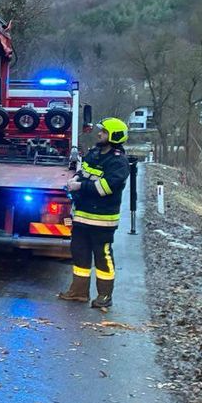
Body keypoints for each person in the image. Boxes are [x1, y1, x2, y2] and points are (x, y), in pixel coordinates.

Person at [59, 118, 130, 309]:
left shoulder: (118, 162)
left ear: (114, 136)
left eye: (104, 132)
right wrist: (75, 178)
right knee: (79, 253)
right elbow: (84, 171)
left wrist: (79, 186)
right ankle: (78, 292)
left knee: (102, 256)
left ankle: (105, 296)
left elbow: (106, 187)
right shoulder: (95, 153)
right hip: (82, 215)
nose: (99, 134)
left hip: (103, 220)